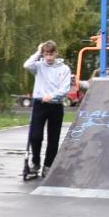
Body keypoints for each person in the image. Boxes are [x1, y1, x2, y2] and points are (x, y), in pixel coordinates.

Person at [22, 41, 74, 179]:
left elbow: (65, 89)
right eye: (46, 54)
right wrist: (38, 52)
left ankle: (48, 165)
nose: (49, 57)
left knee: (53, 138)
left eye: (51, 54)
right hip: (40, 104)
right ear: (43, 54)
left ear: (56, 53)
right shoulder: (39, 66)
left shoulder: (64, 69)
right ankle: (36, 163)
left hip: (55, 105)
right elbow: (26, 65)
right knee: (35, 136)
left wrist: (52, 95)